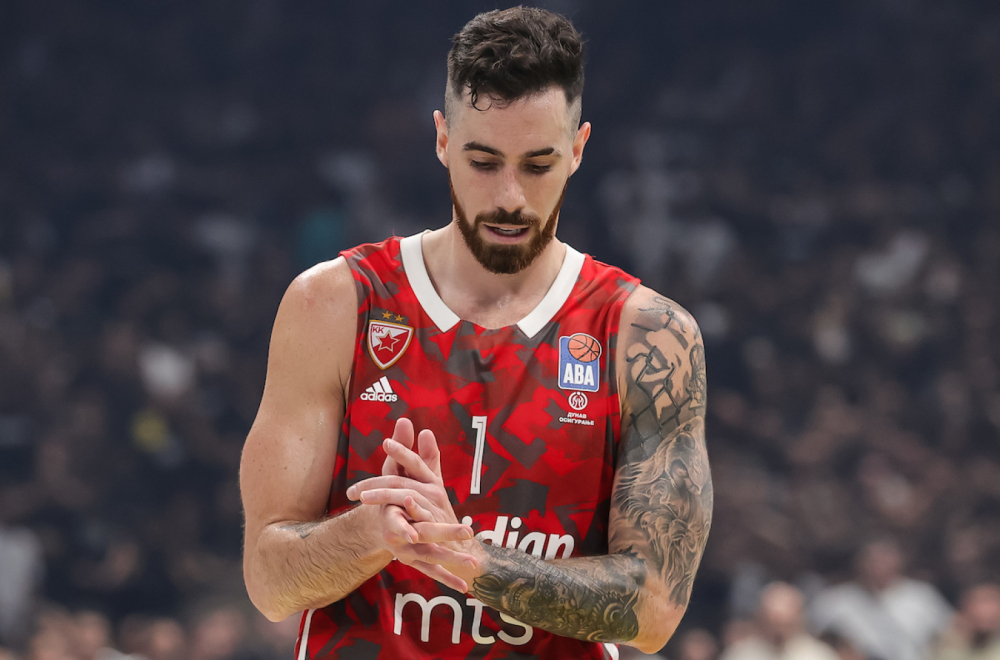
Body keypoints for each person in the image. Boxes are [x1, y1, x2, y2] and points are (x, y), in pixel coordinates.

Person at [240, 7, 712, 659]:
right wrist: (371, 533)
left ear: (577, 150)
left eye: (537, 165)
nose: (509, 196)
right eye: (484, 162)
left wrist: (467, 559)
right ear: (442, 140)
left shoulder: (647, 335)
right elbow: (269, 583)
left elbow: (654, 607)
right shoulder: (335, 304)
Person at [810, 538, 953, 660]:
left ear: (898, 561)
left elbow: (951, 634)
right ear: (860, 563)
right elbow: (812, 638)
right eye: (872, 560)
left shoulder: (922, 596)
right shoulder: (834, 600)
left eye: (885, 559)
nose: (878, 566)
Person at [720, 582, 838, 660]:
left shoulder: (818, 655)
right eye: (772, 623)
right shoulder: (740, 655)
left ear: (799, 619)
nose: (778, 631)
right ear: (760, 619)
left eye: (785, 624)